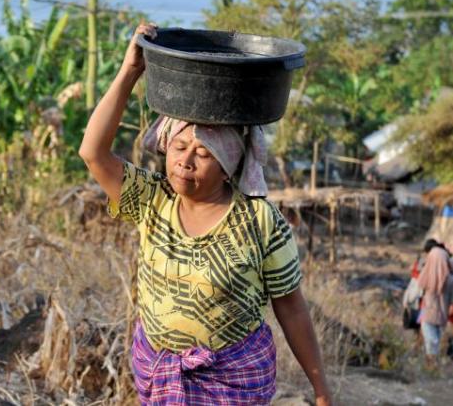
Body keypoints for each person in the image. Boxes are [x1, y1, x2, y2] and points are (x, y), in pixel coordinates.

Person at [79, 23, 331, 405]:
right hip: (160, 373)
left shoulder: (260, 222)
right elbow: (93, 153)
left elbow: (292, 308)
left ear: (229, 164)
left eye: (204, 153)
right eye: (179, 147)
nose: (185, 162)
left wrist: (321, 388)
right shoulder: (152, 200)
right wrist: (130, 70)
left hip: (234, 381)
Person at [417, 238, 453, 368]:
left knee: (432, 344)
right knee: (433, 343)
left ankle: (431, 370)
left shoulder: (427, 274)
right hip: (437, 317)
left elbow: (419, 293)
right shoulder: (449, 279)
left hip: (428, 315)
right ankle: (431, 369)